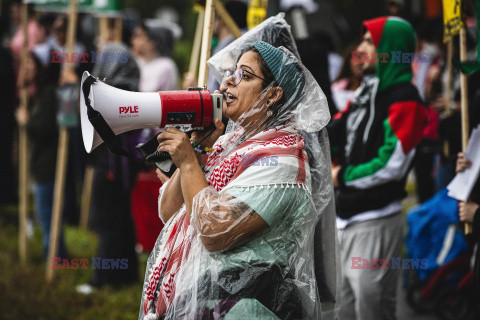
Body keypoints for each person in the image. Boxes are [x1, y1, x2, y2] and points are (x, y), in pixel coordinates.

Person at [139, 37, 337, 319]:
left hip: (249, 307)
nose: (228, 82)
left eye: (245, 75)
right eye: (231, 74)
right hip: (207, 302)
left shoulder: (283, 160)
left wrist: (188, 163)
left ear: (273, 94)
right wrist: (197, 150)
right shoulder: (224, 146)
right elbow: (170, 212)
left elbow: (214, 230)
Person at [328, 17, 427, 319]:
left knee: (373, 309)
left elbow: (392, 165)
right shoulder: (365, 92)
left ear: (390, 49)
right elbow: (336, 131)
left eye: (370, 42)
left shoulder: (406, 99)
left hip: (376, 219)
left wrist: (342, 176)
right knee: (342, 308)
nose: (360, 49)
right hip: (344, 218)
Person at [15, 51, 67, 259]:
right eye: (22, 65)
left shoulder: (48, 94)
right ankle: (55, 253)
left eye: (30, 64)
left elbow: (45, 129)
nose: (26, 68)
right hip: (40, 163)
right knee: (44, 213)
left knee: (47, 214)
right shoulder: (32, 94)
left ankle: (54, 256)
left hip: (48, 164)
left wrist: (26, 122)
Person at [331, 44, 363, 112]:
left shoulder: (374, 83)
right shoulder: (338, 87)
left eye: (364, 57)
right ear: (349, 62)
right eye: (357, 57)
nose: (360, 62)